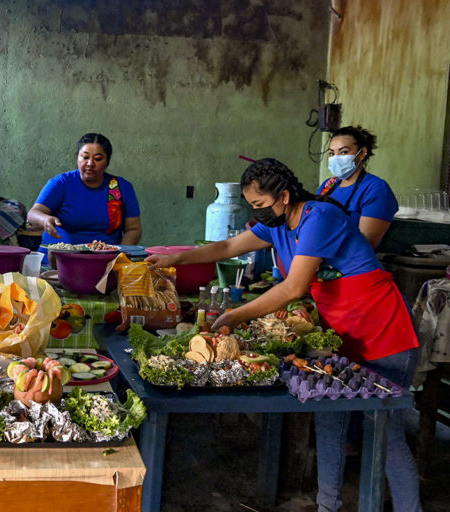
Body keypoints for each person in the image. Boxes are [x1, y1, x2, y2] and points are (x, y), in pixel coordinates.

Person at [147, 158, 421, 512]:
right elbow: (227, 248)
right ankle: (328, 506)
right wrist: (174, 259)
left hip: (384, 330)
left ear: (285, 196)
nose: (256, 213)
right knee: (329, 421)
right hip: (343, 335)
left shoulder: (317, 217)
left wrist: (235, 315)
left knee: (387, 432)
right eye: (252, 206)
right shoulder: (276, 225)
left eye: (260, 205)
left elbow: (293, 288)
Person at [27, 133, 141, 261]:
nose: (90, 163)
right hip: (58, 260)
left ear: (107, 161)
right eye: (85, 157)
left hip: (104, 261)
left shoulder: (121, 188)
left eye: (98, 159)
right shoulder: (61, 183)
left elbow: (133, 229)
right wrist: (45, 220)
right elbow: (33, 213)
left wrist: (120, 257)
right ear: (78, 158)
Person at [318, 125, 398, 249]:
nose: (336, 158)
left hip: (353, 263)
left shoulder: (375, 189)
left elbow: (366, 243)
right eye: (331, 153)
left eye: (344, 152)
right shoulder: (328, 185)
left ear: (362, 153)